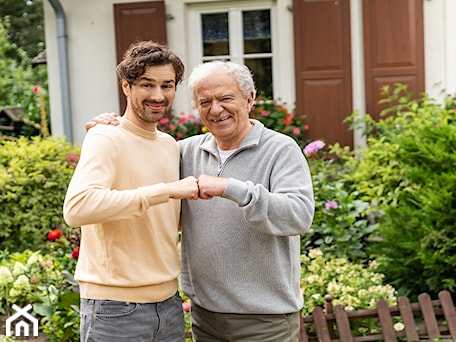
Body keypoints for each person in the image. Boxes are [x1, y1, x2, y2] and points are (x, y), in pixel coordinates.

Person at [88, 60, 315, 341]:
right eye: (204, 101)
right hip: (205, 317)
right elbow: (135, 173)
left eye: (225, 98)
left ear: (250, 99)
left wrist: (233, 189)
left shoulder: (280, 149)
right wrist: (108, 130)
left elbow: (298, 216)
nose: (216, 109)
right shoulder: (183, 151)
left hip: (264, 320)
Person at [64, 40, 199, 342]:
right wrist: (165, 190)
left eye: (167, 85)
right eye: (146, 85)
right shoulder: (105, 137)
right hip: (116, 309)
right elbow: (77, 209)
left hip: (169, 305)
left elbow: (168, 220)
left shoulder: (168, 146)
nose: (157, 95)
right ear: (126, 86)